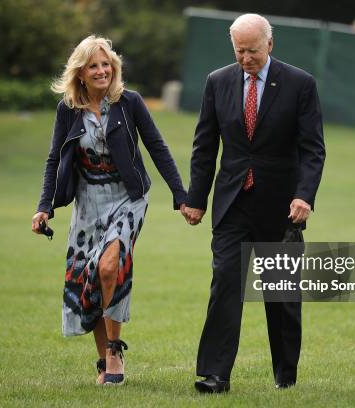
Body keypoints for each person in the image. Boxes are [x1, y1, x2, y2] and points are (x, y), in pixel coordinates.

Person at [181, 14, 325, 392]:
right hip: (232, 202)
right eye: (239, 51)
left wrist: (304, 195)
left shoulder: (300, 84)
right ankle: (214, 375)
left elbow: (313, 149)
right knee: (225, 284)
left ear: (270, 45)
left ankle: (285, 376)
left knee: (281, 296)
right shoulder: (218, 82)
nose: (246, 58)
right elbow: (205, 146)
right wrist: (196, 198)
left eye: (253, 50)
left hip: (281, 206)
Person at [32, 35, 187, 385]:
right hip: (87, 202)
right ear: (81, 73)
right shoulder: (68, 110)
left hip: (128, 198)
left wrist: (181, 195)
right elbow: (54, 158)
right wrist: (45, 207)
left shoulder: (129, 102)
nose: (102, 71)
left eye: (106, 64)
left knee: (108, 265)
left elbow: (157, 147)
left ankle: (115, 350)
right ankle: (104, 360)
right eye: (94, 66)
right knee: (89, 278)